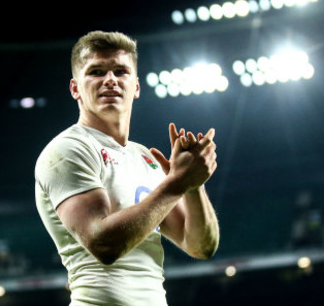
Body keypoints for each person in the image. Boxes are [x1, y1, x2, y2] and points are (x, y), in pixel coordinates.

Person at [35, 30, 220, 305]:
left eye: (121, 71)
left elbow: (200, 246)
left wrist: (193, 185)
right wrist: (177, 183)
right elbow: (103, 244)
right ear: (75, 89)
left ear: (136, 86)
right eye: (96, 71)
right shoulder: (67, 150)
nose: (110, 79)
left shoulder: (143, 157)